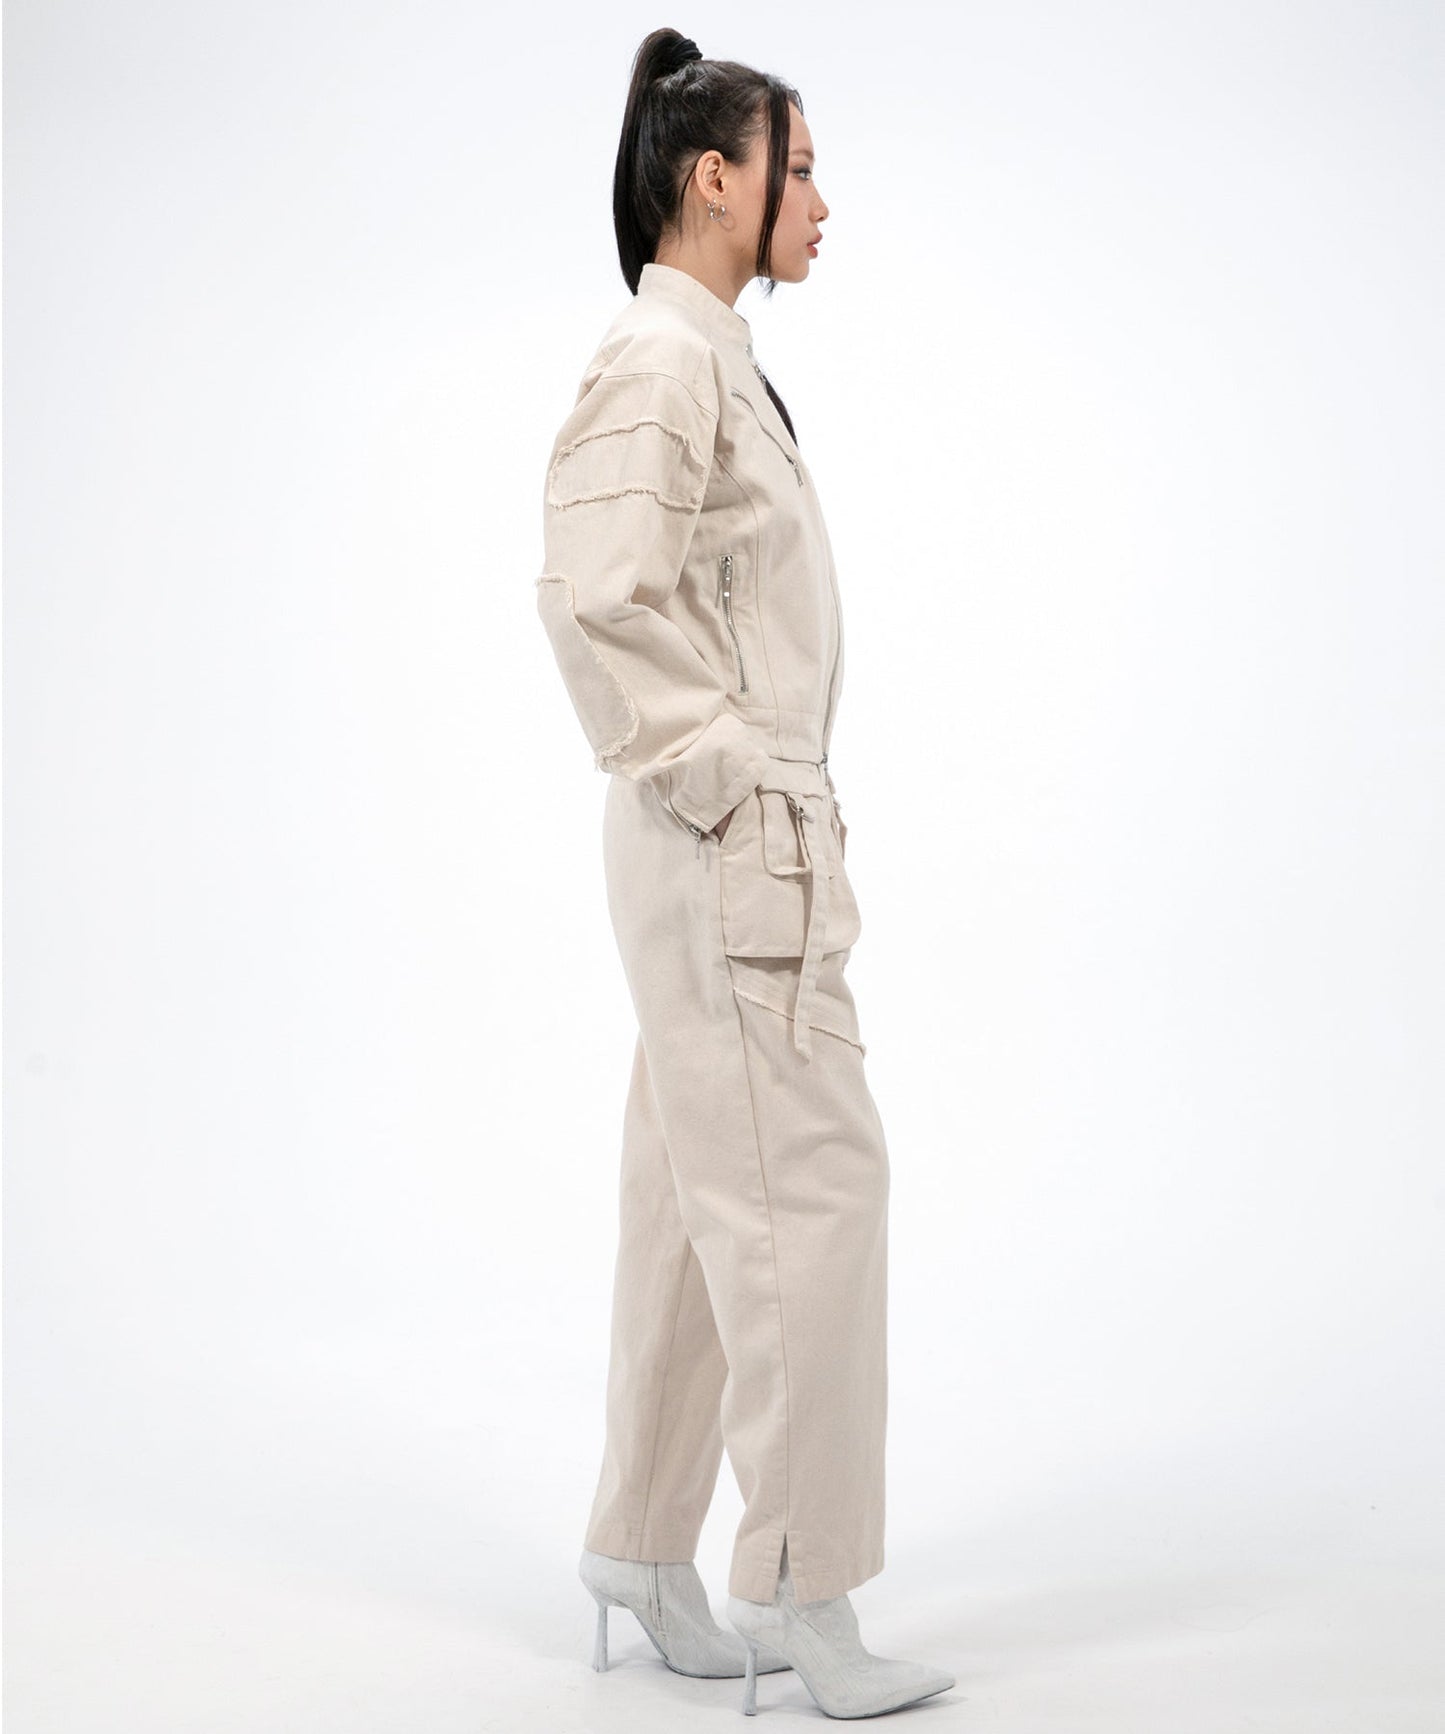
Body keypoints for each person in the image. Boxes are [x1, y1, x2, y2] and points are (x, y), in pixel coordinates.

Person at [533, 27, 956, 1719]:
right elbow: (595, 593)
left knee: (700, 1196)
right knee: (812, 1190)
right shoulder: (662, 357)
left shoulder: (701, 355)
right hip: (724, 838)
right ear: (715, 178)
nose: (822, 203)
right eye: (802, 169)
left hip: (718, 839)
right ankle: (801, 1589)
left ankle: (642, 1547)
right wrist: (731, 783)